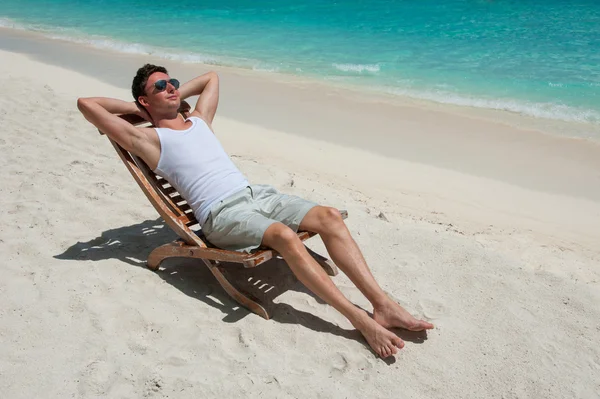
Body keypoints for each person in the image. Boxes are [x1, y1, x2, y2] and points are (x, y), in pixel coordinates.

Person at [77, 64, 433, 358]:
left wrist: (170, 95)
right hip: (221, 215)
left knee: (329, 216)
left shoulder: (200, 120)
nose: (172, 88)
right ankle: (359, 320)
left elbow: (211, 78)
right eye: (161, 87)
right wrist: (143, 111)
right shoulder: (149, 140)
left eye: (172, 82)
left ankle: (382, 304)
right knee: (282, 234)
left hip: (254, 195)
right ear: (143, 100)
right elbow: (86, 103)